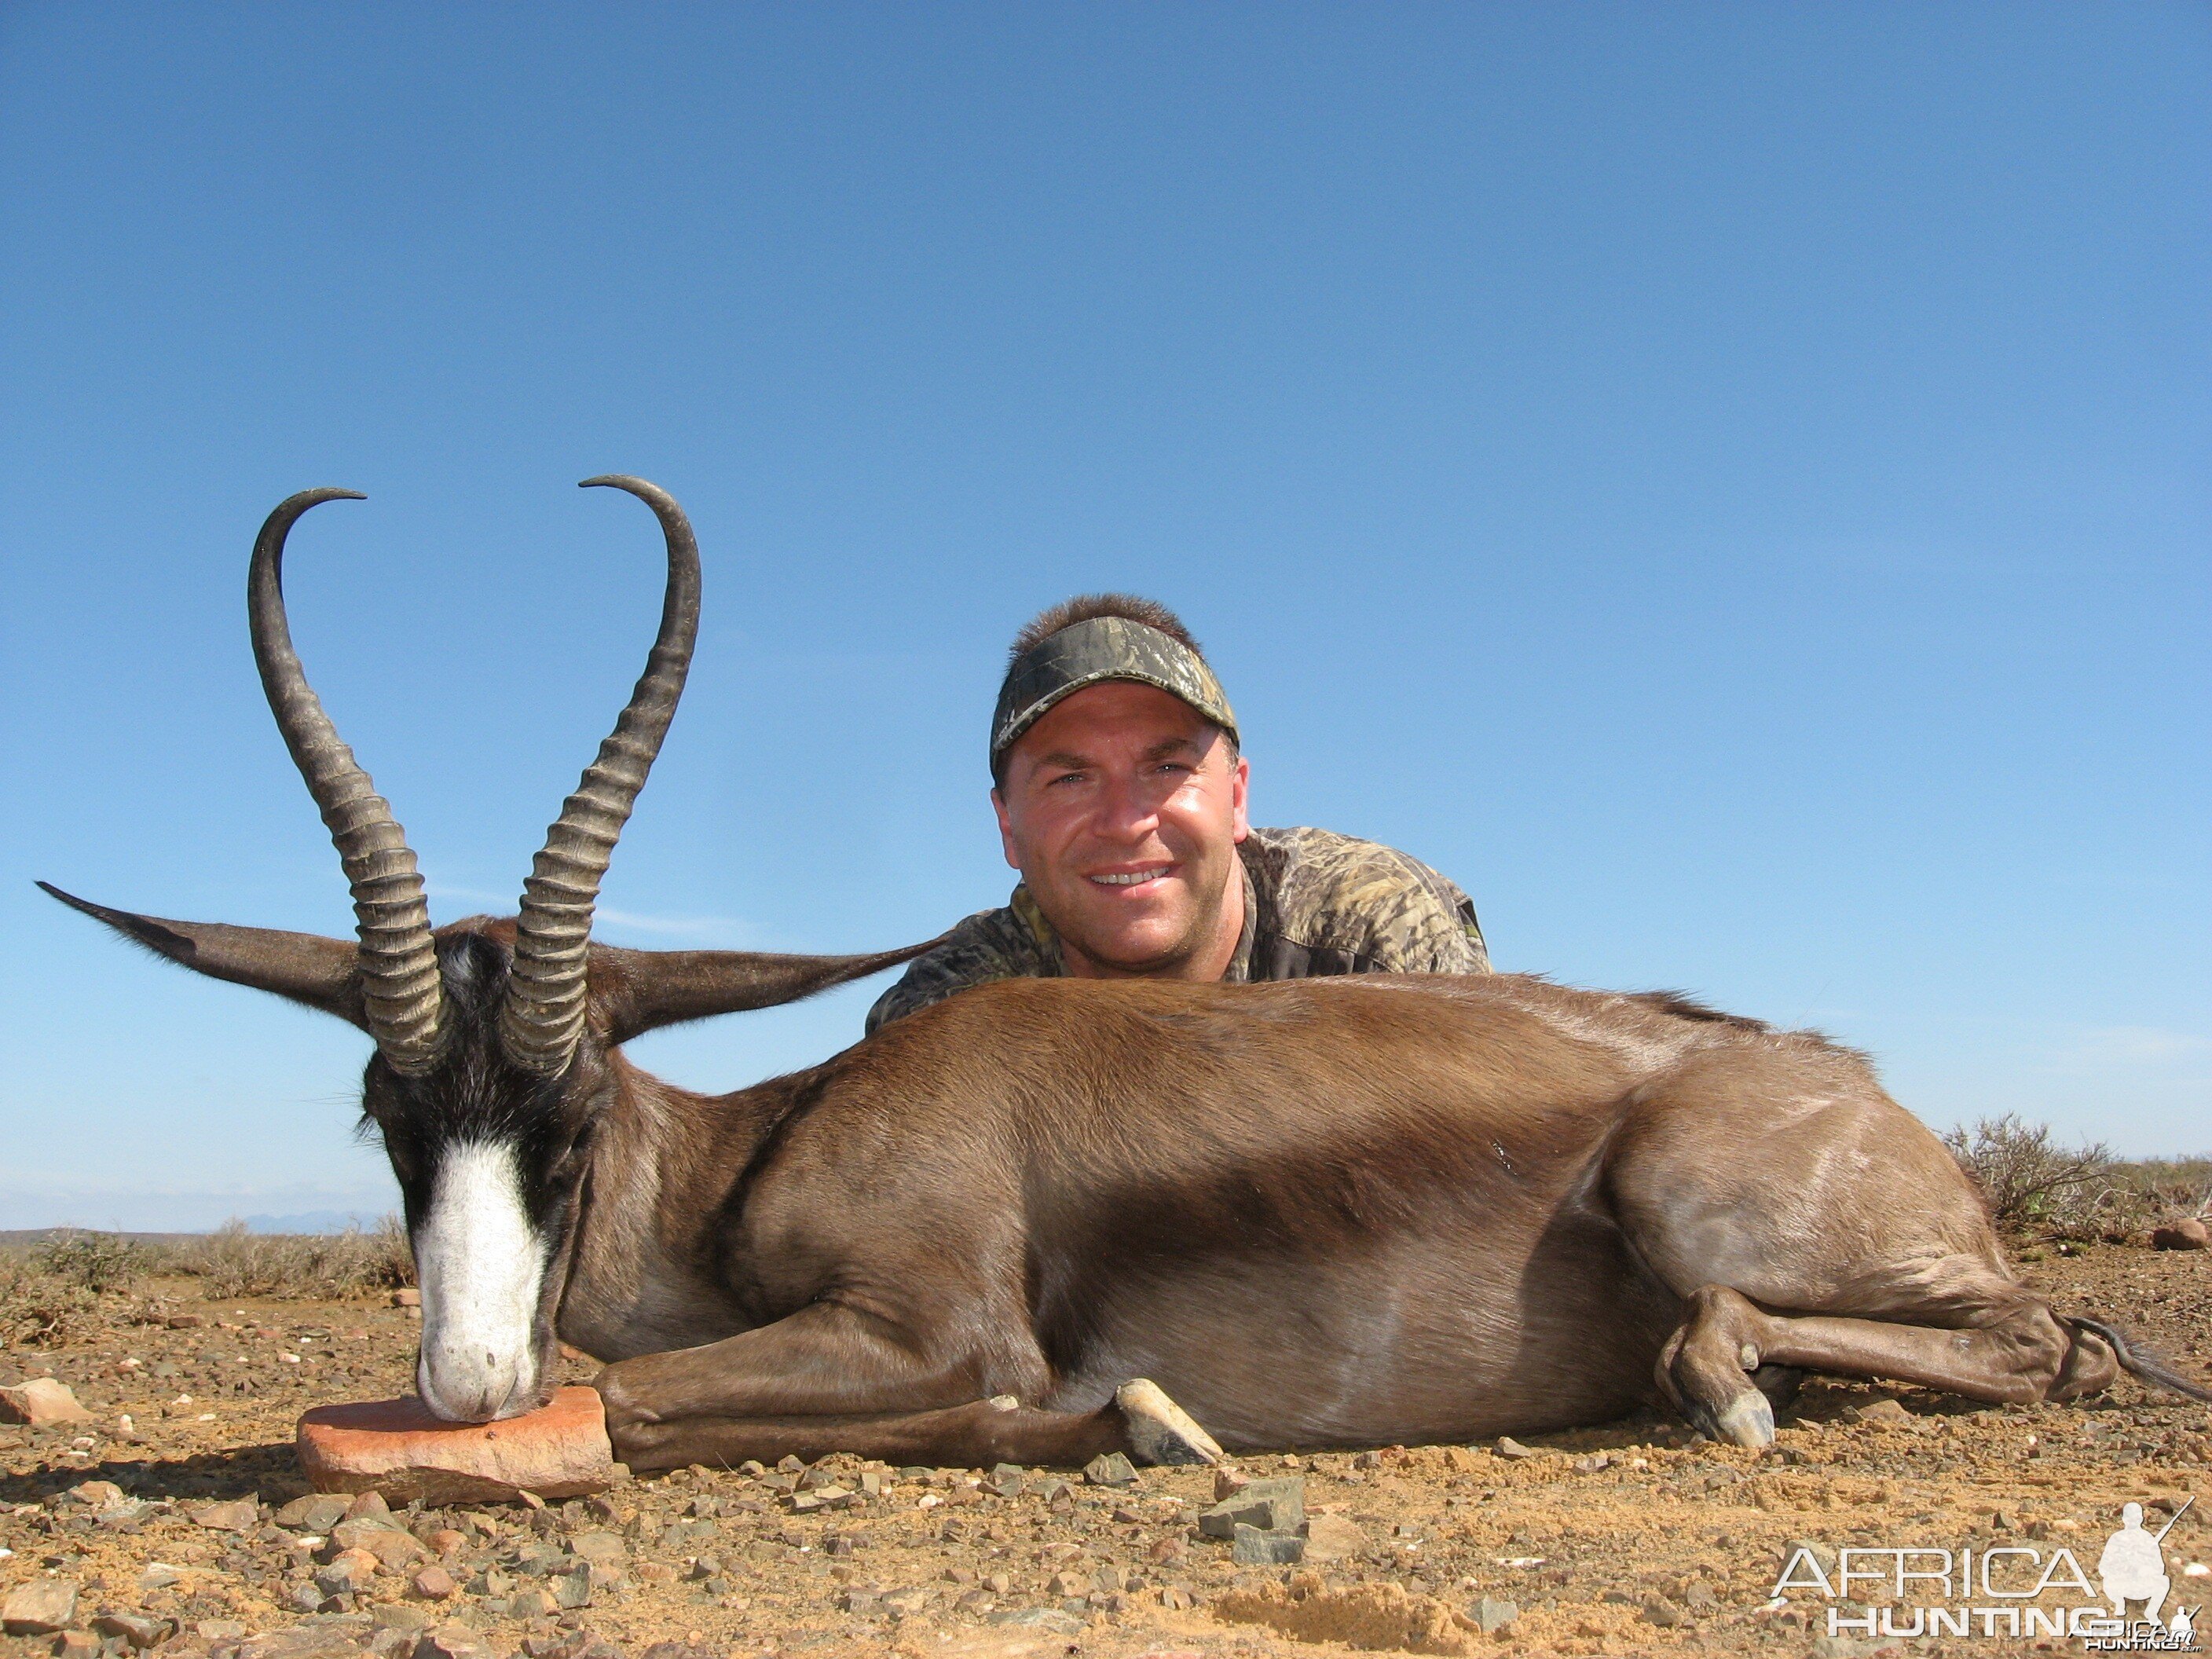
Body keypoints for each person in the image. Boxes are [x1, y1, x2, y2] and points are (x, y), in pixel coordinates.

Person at [866, 593, 1489, 1033]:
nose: (1125, 821)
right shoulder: (953, 1015)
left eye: (1167, 769)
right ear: (1009, 828)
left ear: (1237, 798)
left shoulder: (1378, 943)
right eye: (1071, 779)